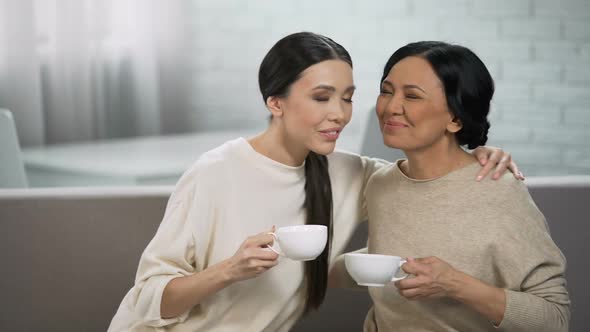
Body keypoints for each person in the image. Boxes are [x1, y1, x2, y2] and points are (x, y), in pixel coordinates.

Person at [108, 33, 521, 332]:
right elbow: (149, 299)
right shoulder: (215, 172)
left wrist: (477, 152)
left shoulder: (349, 173)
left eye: (347, 97)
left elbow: (423, 176)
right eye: (322, 97)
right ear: (275, 102)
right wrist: (230, 270)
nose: (340, 114)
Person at [348, 41, 569, 331]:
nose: (391, 107)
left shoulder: (496, 190)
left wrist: (454, 284)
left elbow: (555, 318)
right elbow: (388, 257)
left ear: (454, 118)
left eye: (412, 96)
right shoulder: (380, 184)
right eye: (386, 91)